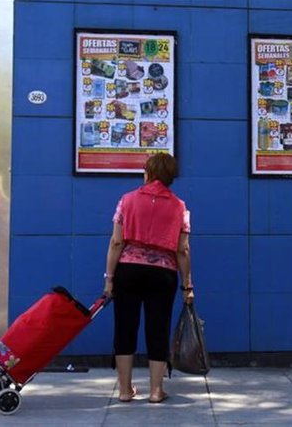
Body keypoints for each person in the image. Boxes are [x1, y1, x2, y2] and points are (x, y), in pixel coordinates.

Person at [103, 153, 194, 404]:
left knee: (125, 327)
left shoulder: (127, 200)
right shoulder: (179, 206)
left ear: (148, 173)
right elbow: (182, 250)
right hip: (163, 274)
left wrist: (109, 278)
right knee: (158, 328)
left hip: (128, 272)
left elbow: (116, 241)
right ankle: (156, 391)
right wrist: (187, 284)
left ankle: (124, 390)